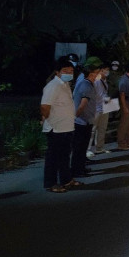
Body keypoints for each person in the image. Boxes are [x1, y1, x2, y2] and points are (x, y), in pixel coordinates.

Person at [41, 56, 79, 193]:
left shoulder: (65, 85)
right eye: (65, 71)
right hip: (55, 128)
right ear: (57, 72)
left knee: (64, 156)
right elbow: (45, 106)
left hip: (66, 127)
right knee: (53, 158)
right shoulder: (53, 86)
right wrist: (45, 119)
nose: (68, 74)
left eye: (71, 71)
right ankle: (51, 183)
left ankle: (66, 179)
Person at [71, 56, 103, 177]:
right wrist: (74, 118)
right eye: (97, 72)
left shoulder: (88, 84)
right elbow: (82, 105)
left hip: (85, 121)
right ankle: (77, 170)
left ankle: (81, 168)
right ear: (92, 72)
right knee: (79, 149)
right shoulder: (86, 85)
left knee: (82, 148)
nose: (99, 74)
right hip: (81, 122)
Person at [89, 61, 113, 155]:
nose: (107, 71)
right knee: (92, 129)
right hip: (96, 108)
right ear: (100, 71)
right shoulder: (97, 81)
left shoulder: (105, 81)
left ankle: (99, 147)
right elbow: (95, 95)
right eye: (105, 70)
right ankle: (88, 149)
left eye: (108, 70)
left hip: (105, 107)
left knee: (102, 128)